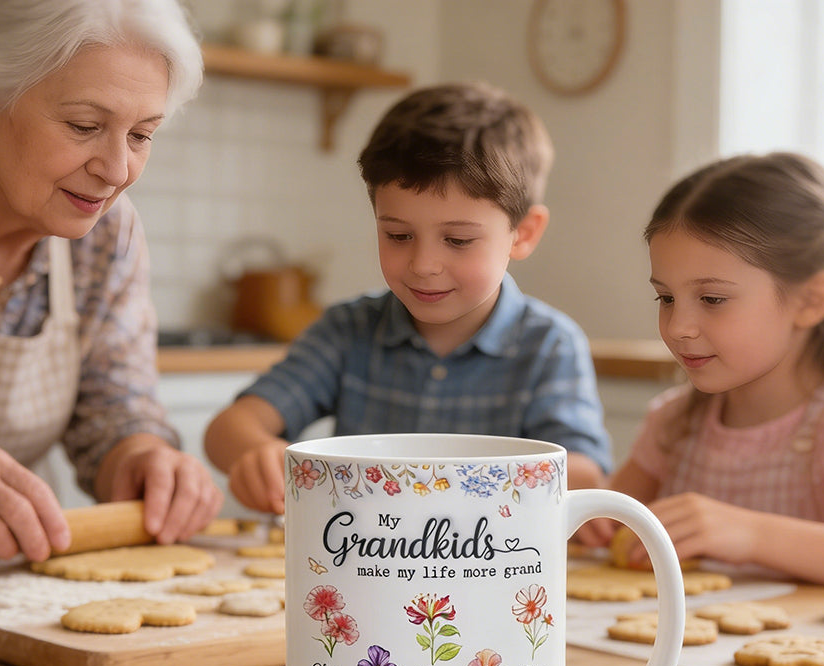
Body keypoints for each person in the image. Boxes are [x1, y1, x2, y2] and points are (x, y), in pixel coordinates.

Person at [0, 0, 223, 563]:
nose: (117, 170)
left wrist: (141, 458)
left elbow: (113, 409)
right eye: (84, 126)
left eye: (142, 135)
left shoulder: (107, 234)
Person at [204, 81, 612, 515]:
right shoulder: (349, 331)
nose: (423, 264)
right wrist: (258, 456)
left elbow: (584, 476)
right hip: (362, 572)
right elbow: (228, 430)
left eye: (457, 240)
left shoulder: (549, 345)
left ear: (523, 233)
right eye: (398, 235)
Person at [580, 151, 824, 595]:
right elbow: (610, 525)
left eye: (712, 299)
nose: (678, 328)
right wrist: (594, 521)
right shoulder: (674, 423)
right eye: (665, 298)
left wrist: (751, 534)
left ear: (810, 300)